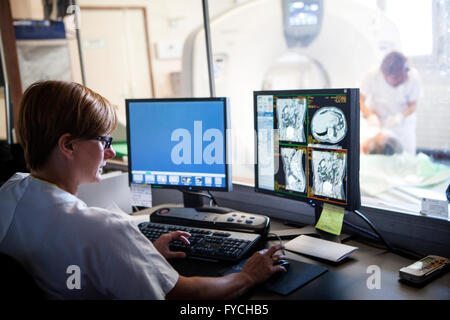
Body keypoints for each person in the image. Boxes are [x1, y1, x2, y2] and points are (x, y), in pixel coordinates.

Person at [0, 80, 286, 299]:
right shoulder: (103, 230)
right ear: (68, 145)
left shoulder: (9, 192)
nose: (111, 153)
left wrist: (141, 256)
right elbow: (184, 294)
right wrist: (248, 276)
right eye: (104, 141)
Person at [360, 51, 423, 154]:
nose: (399, 80)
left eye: (401, 77)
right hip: (377, 122)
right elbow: (359, 100)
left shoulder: (413, 77)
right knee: (370, 153)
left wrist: (400, 116)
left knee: (407, 155)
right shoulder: (373, 75)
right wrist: (370, 115)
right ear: (384, 74)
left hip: (402, 124)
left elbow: (413, 105)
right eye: (396, 78)